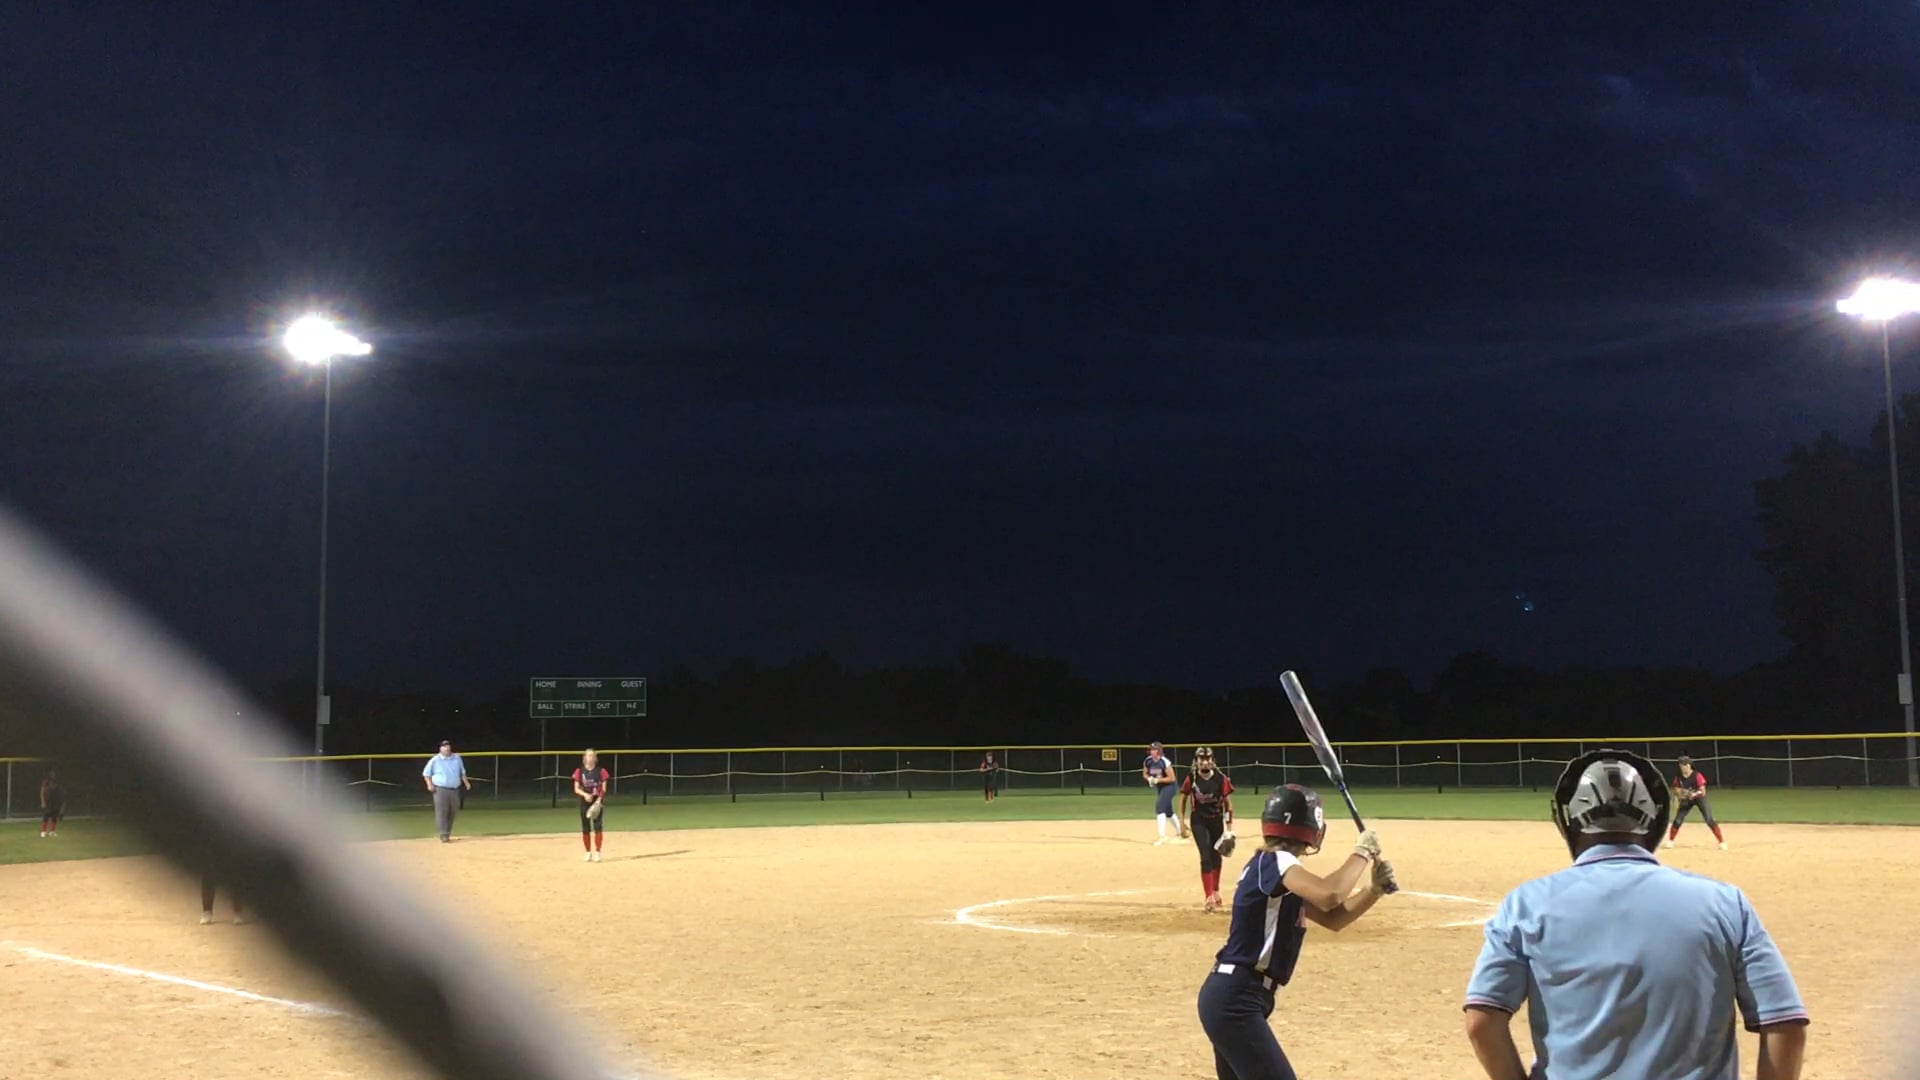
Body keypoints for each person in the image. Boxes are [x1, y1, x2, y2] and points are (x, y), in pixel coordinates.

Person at [1463, 748, 1806, 1080]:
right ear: (1653, 820)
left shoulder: (1525, 903)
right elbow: (1786, 1024)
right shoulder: (1725, 903)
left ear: (1568, 821)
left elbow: (1482, 1022)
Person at [1198, 785, 1393, 1080]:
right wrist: (1362, 853)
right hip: (1236, 1000)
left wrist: (1373, 890)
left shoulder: (1273, 870)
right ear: (1313, 828)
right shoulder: (1277, 861)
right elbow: (1330, 894)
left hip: (1232, 997)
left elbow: (1333, 918)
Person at [1178, 747, 1236, 911]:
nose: (1204, 762)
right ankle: (1209, 896)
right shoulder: (1192, 778)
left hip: (1216, 820)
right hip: (1199, 821)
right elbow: (1183, 799)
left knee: (1216, 855)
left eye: (1208, 758)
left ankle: (1216, 891)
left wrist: (1229, 828)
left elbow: (1228, 805)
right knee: (1205, 856)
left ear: (1212, 761)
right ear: (1196, 761)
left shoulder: (1220, 778)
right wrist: (1181, 822)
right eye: (1201, 759)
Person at [1666, 753, 1727, 851]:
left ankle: (1721, 842)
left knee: (1709, 819)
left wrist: (1693, 794)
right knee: (1677, 820)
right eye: (1681, 765)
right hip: (1687, 800)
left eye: (1685, 764)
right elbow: (1676, 789)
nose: (1683, 767)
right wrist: (1680, 795)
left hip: (1699, 798)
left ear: (1689, 765)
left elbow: (1703, 791)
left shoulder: (1697, 775)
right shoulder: (1679, 777)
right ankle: (1670, 841)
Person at [422, 739, 470, 843]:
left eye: (448, 746)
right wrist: (429, 784)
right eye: (444, 746)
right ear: (440, 749)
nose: (447, 748)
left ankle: (447, 833)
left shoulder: (456, 758)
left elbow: (462, 772)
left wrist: (466, 782)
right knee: (442, 812)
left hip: (454, 789)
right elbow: (426, 774)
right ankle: (443, 835)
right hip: (440, 789)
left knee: (453, 811)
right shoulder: (435, 760)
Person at [571, 749, 609, 862]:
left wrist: (598, 801)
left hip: (597, 800)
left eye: (592, 756)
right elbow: (576, 788)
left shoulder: (601, 771)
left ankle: (597, 852)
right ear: (585, 758)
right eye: (588, 755)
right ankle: (588, 852)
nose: (590, 758)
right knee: (585, 827)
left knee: (598, 826)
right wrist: (585, 795)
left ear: (595, 758)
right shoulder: (579, 771)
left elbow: (604, 789)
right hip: (584, 801)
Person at [1144, 741, 1180, 845]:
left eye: (1155, 750)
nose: (1152, 751)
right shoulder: (1148, 761)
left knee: (1160, 807)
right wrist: (1149, 779)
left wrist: (1157, 780)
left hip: (1170, 787)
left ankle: (1162, 837)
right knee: (1168, 811)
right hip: (1161, 787)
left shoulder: (1164, 762)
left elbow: (1172, 778)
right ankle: (1181, 832)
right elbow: (1145, 773)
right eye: (1151, 749)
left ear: (1159, 751)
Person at [38, 769, 63, 838]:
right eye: (52, 773)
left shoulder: (57, 782)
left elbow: (58, 791)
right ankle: (43, 832)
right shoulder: (45, 781)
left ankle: (52, 831)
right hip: (47, 802)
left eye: (54, 774)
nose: (53, 775)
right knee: (46, 816)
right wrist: (43, 801)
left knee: (54, 817)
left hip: (55, 802)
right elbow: (42, 792)